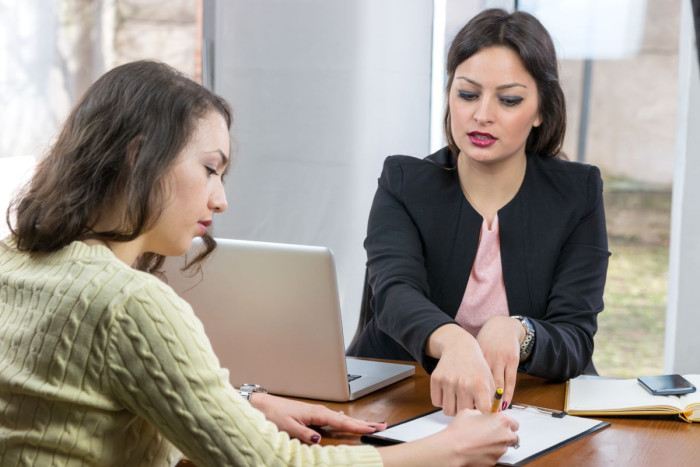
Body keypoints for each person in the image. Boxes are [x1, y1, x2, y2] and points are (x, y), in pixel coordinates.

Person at [0, 60, 519, 466]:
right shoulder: (128, 303)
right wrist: (448, 452)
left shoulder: (14, 258)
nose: (221, 200)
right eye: (209, 169)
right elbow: (273, 463)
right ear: (138, 158)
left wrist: (241, 403)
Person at [347, 8, 610, 417]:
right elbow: (395, 296)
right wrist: (454, 341)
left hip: (529, 406)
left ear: (541, 110)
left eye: (509, 100)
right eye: (467, 94)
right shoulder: (403, 181)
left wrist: (520, 331)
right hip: (402, 395)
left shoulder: (577, 193)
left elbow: (575, 336)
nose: (482, 114)